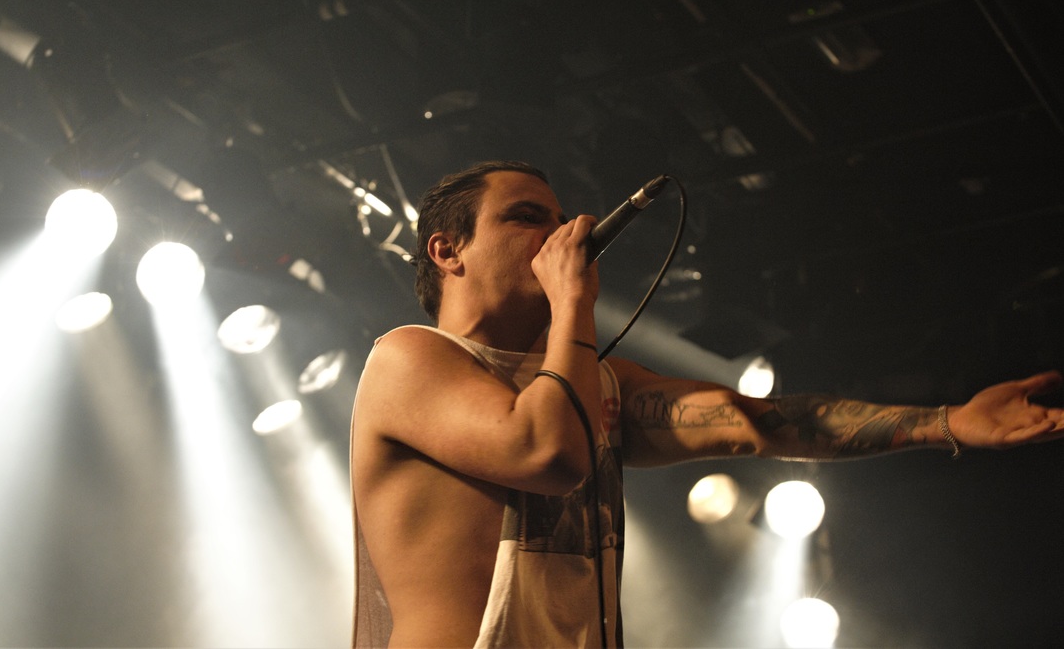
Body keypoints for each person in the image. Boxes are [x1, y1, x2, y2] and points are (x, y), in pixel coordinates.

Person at [349, 160, 1062, 648]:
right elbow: (545, 451)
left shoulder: (598, 382)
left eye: (562, 218)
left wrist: (948, 421)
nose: (566, 235)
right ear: (448, 250)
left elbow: (763, 422)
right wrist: (574, 302)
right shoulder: (409, 359)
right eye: (528, 217)